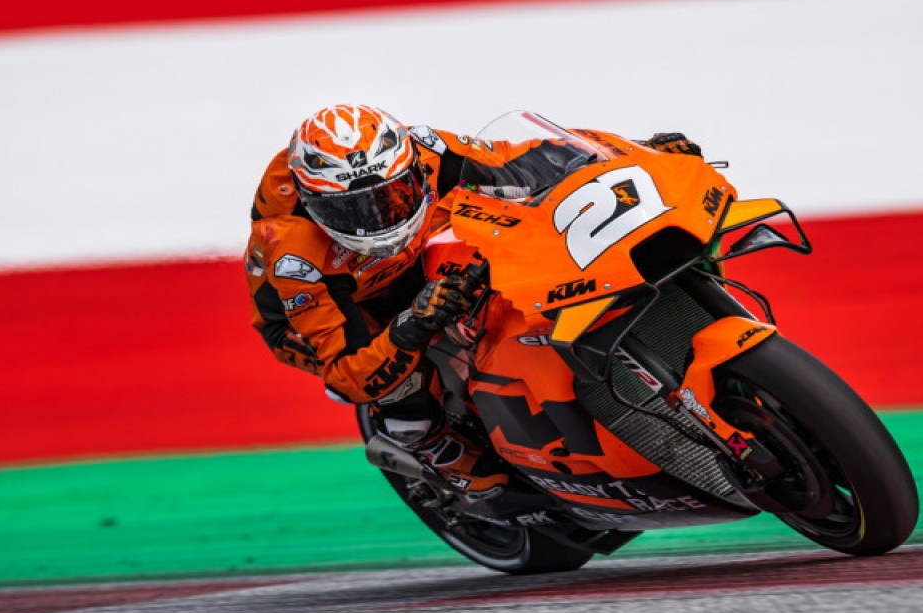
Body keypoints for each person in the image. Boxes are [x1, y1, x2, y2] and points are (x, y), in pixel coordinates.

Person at [245, 104, 702, 497]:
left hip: (419, 253)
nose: (377, 219)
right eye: (351, 210)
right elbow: (347, 375)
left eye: (392, 196)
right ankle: (427, 445)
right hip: (339, 310)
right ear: (311, 202)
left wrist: (638, 150)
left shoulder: (424, 148)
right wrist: (412, 325)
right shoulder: (293, 256)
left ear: (411, 167)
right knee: (399, 380)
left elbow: (525, 157)